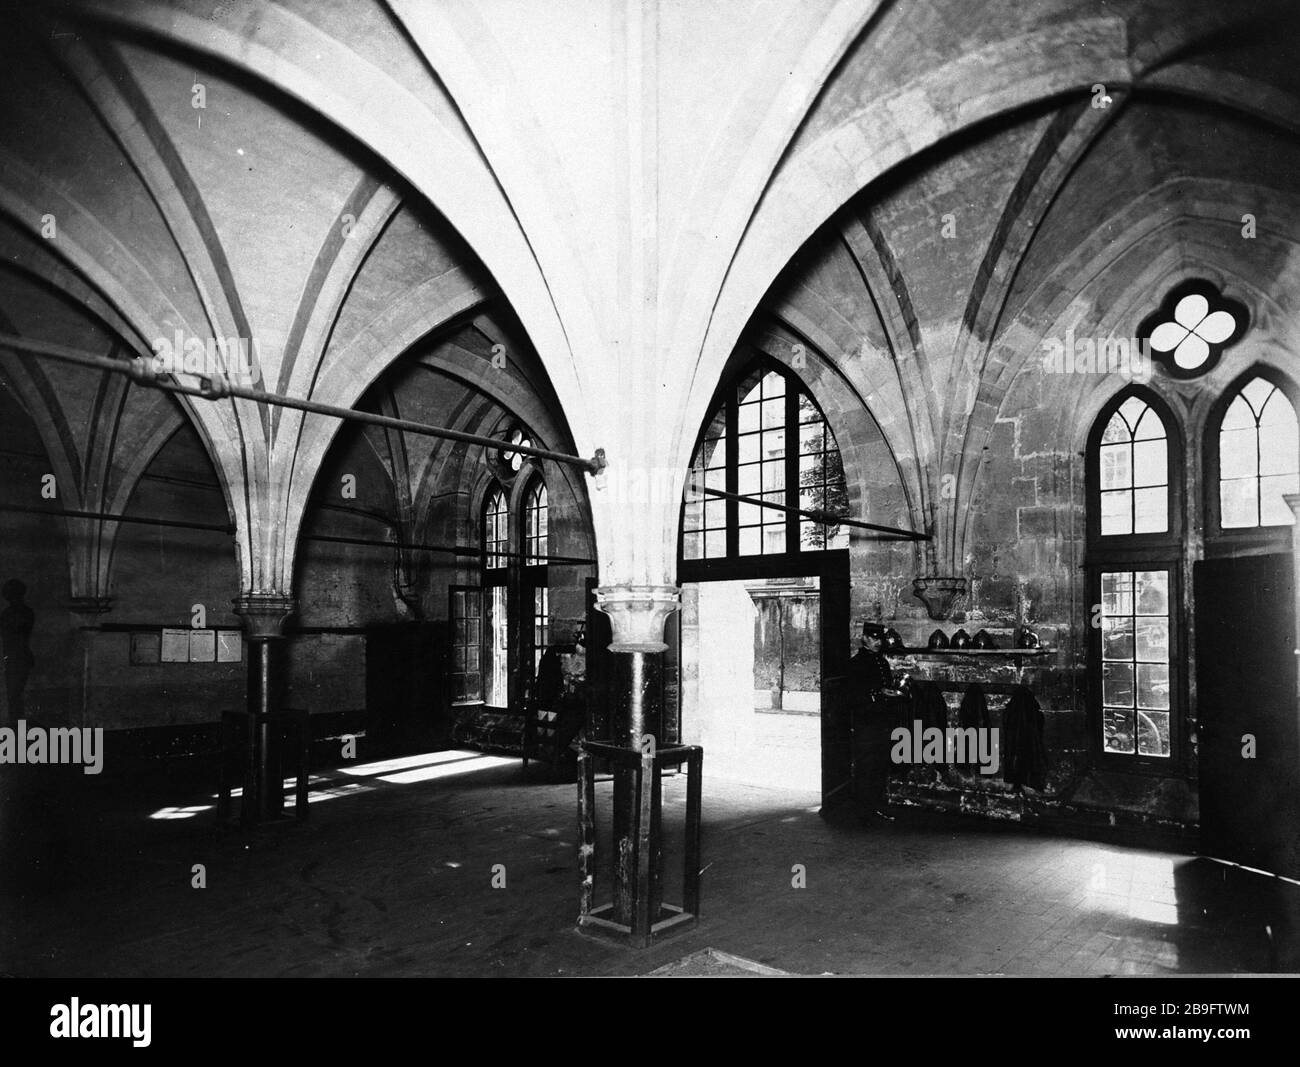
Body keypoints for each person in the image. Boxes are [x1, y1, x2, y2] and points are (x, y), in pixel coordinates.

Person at [849, 621, 906, 823]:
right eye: (873, 638)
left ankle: (877, 805)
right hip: (866, 722)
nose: (877, 642)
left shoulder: (881, 662)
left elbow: (884, 685)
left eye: (880, 639)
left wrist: (888, 691)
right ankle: (863, 809)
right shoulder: (856, 663)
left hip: (881, 720)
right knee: (865, 766)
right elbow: (854, 695)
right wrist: (877, 693)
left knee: (880, 764)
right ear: (864, 638)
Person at [0, 579, 35, 724]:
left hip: (15, 657)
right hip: (20, 656)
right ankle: (16, 725)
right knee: (15, 695)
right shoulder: (26, 612)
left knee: (14, 695)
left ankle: (16, 725)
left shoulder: (9, 613)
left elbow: (13, 635)